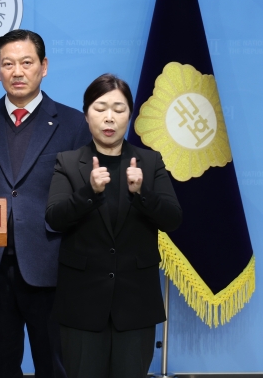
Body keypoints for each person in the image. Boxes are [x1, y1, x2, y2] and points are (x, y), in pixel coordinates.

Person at [0, 29, 90, 378]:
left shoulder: (73, 123)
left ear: (44, 66)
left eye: (26, 62)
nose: (17, 72)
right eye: (8, 64)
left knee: (56, 365)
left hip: (51, 264)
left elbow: (84, 197)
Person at [45, 74, 182, 378]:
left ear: (129, 115)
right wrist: (89, 192)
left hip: (135, 304)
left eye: (119, 109)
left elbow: (173, 219)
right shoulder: (68, 162)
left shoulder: (150, 162)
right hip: (82, 304)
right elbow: (55, 218)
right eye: (100, 108)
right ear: (86, 115)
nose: (109, 118)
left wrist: (142, 194)